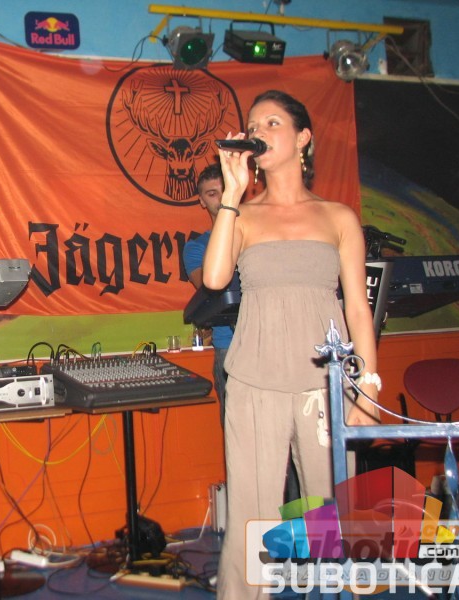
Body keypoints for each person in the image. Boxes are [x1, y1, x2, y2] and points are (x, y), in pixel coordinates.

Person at [201, 90, 380, 598]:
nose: (259, 131)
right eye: (253, 124)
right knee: (252, 518)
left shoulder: (338, 217)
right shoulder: (244, 214)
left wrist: (367, 390)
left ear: (303, 138)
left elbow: (358, 309)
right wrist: (232, 193)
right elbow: (214, 278)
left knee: (331, 513)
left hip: (325, 388)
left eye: (272, 122)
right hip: (255, 383)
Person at [182, 163, 234, 422]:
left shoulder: (259, 235)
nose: (220, 198)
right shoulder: (197, 247)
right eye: (212, 194)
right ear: (202, 201)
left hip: (272, 342)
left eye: (224, 191)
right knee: (237, 431)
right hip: (230, 346)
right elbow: (211, 286)